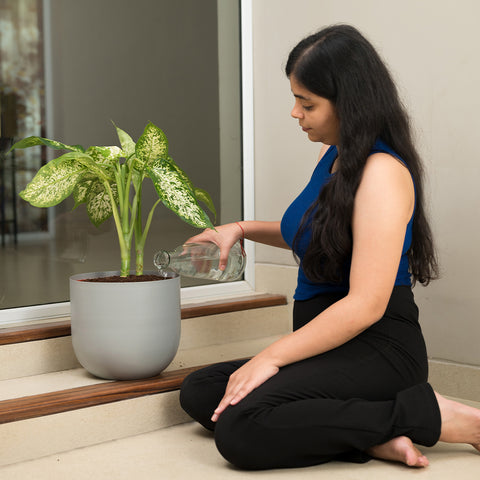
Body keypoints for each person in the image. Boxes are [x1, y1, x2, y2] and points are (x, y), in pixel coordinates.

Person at [179, 24, 480, 470]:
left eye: (307, 103)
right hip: (330, 349)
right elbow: (315, 233)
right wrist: (239, 229)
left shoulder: (381, 173)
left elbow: (365, 305)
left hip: (377, 350)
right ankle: (375, 435)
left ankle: (432, 416)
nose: (295, 113)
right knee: (203, 392)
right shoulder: (336, 156)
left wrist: (270, 358)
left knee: (241, 426)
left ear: (349, 102)